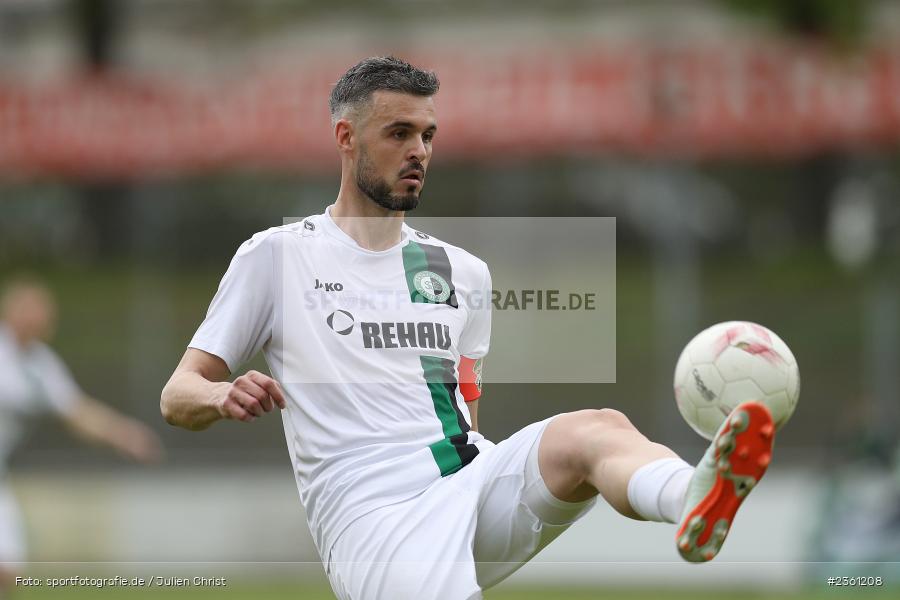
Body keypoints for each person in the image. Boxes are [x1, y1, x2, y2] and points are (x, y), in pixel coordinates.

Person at [160, 56, 776, 600]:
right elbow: (177, 395)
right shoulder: (276, 256)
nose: (419, 151)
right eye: (399, 133)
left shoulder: (463, 272)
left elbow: (466, 405)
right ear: (346, 138)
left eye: (427, 135)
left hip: (469, 481)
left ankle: (692, 495)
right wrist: (220, 394)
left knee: (596, 430)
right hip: (373, 522)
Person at [0, 278, 163, 594]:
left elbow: (77, 412)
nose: (38, 318)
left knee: (7, 571)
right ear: (11, 310)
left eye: (44, 313)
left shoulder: (39, 366)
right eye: (30, 309)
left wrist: (124, 434)